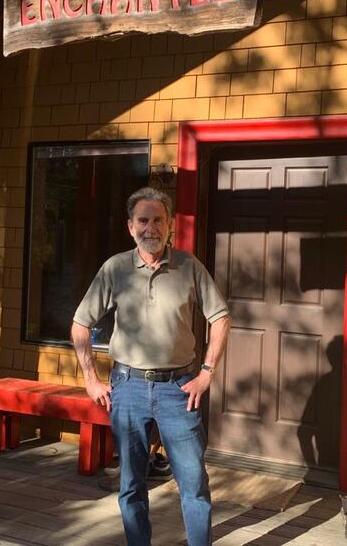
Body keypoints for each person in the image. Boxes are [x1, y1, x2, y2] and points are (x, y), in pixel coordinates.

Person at [70, 186, 231, 546]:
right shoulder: (115, 269)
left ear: (170, 224)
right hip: (127, 388)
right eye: (143, 220)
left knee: (194, 483)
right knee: (131, 484)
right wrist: (91, 380)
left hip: (179, 390)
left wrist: (207, 373)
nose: (151, 228)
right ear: (131, 226)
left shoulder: (189, 266)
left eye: (158, 220)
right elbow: (81, 324)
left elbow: (220, 318)